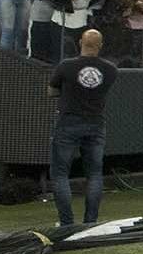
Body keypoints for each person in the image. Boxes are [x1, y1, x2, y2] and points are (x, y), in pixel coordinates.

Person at [49, 29, 117, 229]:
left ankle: (67, 223)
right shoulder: (111, 69)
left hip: (69, 122)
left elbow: (51, 90)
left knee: (61, 173)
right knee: (94, 173)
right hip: (95, 122)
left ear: (80, 42)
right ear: (100, 45)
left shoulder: (66, 66)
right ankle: (90, 222)